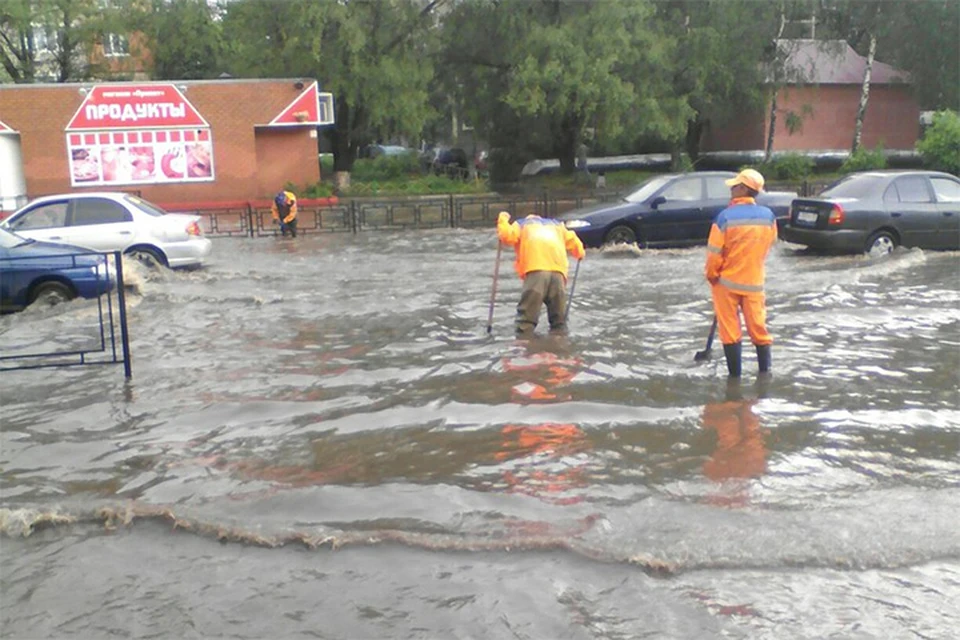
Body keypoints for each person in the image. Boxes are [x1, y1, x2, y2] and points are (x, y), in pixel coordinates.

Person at [704, 168, 777, 378]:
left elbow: (714, 256)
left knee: (730, 332)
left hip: (726, 283)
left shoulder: (724, 218)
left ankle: (734, 380)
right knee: (759, 329)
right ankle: (765, 375)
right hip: (755, 283)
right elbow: (768, 244)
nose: (732, 189)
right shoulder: (769, 217)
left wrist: (712, 276)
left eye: (735, 186)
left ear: (743, 189)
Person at [497, 211, 586, 337]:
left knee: (526, 318)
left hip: (536, 270)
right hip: (558, 273)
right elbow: (576, 243)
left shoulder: (522, 224)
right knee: (559, 320)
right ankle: (559, 345)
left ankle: (524, 346)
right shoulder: (557, 226)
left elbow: (506, 235)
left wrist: (503, 219)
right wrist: (580, 253)